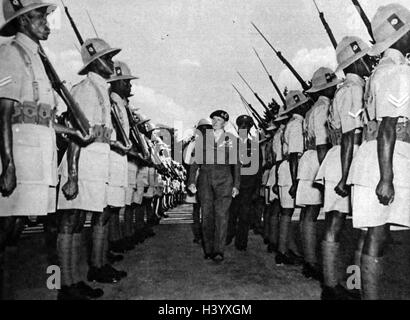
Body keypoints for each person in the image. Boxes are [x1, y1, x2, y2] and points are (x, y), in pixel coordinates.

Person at [0, 0, 92, 300]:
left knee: (18, 229)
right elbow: (4, 113)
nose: (46, 22)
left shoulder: (38, 59)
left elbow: (43, 119)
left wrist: (73, 131)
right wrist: (8, 164)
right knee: (7, 228)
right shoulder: (11, 54)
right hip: (21, 154)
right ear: (24, 21)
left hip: (40, 156)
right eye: (40, 16)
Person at [57, 38, 129, 299]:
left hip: (95, 162)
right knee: (70, 220)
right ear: (95, 63)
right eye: (107, 58)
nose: (111, 63)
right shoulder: (87, 89)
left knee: (78, 221)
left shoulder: (99, 90)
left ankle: (81, 276)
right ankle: (64, 284)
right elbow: (78, 134)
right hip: (82, 163)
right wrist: (73, 176)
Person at [348, 3, 410, 300]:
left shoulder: (379, 71)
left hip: (371, 156)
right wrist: (387, 178)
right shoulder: (397, 71)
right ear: (400, 38)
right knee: (377, 236)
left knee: (369, 233)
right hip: (385, 159)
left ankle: (356, 291)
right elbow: (388, 124)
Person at [315, 36, 372, 300]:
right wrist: (347, 176)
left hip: (340, 158)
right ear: (354, 63)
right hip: (348, 160)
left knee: (337, 223)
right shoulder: (353, 89)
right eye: (362, 59)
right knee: (357, 227)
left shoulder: (345, 89)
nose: (367, 62)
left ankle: (336, 284)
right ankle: (348, 285)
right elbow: (351, 135)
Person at [297, 67, 341, 281]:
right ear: (329, 86)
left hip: (308, 159)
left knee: (308, 213)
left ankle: (309, 259)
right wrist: (326, 173)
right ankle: (313, 263)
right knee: (314, 213)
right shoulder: (324, 108)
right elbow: (323, 143)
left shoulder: (311, 110)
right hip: (317, 159)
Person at [188, 110, 240, 262]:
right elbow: (195, 162)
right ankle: (208, 249)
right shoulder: (204, 139)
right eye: (214, 119)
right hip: (205, 180)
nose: (215, 122)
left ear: (225, 123)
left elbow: (236, 164)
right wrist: (191, 181)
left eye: (219, 120)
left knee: (222, 216)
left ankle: (219, 250)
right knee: (206, 215)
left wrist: (236, 184)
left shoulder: (231, 140)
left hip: (224, 181)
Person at [276, 91, 311, 265]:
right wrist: (296, 182)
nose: (307, 105)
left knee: (286, 213)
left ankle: (285, 249)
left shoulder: (292, 123)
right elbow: (294, 155)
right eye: (304, 104)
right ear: (299, 106)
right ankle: (282, 253)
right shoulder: (297, 125)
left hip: (286, 170)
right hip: (291, 171)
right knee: (287, 213)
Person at [227, 115, 261, 251]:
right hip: (233, 185)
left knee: (245, 215)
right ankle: (228, 236)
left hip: (248, 185)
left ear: (250, 128)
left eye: (246, 126)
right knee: (231, 213)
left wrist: (257, 188)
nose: (243, 128)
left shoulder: (254, 146)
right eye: (241, 126)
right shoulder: (231, 145)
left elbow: (258, 169)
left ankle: (241, 242)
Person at [184, 118, 213, 244]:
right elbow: (186, 160)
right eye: (203, 129)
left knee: (204, 208)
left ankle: (204, 233)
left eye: (207, 129)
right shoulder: (194, 143)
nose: (205, 131)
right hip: (195, 176)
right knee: (197, 208)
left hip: (205, 176)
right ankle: (199, 233)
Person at [266, 112, 289, 254]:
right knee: (280, 208)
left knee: (274, 208)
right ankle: (279, 246)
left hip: (276, 169)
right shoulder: (282, 132)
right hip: (280, 168)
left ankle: (273, 240)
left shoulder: (277, 134)